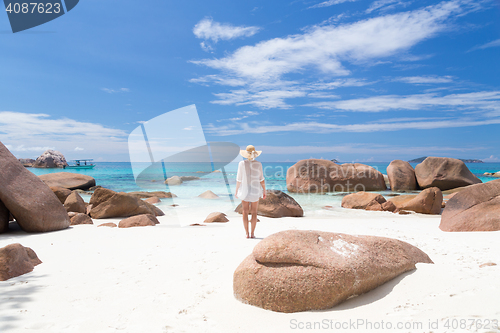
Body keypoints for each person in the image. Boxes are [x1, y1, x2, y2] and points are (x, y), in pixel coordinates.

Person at [235, 145, 266, 238]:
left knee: (245, 212)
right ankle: (252, 233)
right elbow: (261, 179)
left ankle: (247, 234)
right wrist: (264, 190)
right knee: (254, 212)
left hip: (244, 190)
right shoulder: (258, 164)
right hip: (255, 190)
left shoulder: (241, 163)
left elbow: (239, 179)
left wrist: (236, 190)